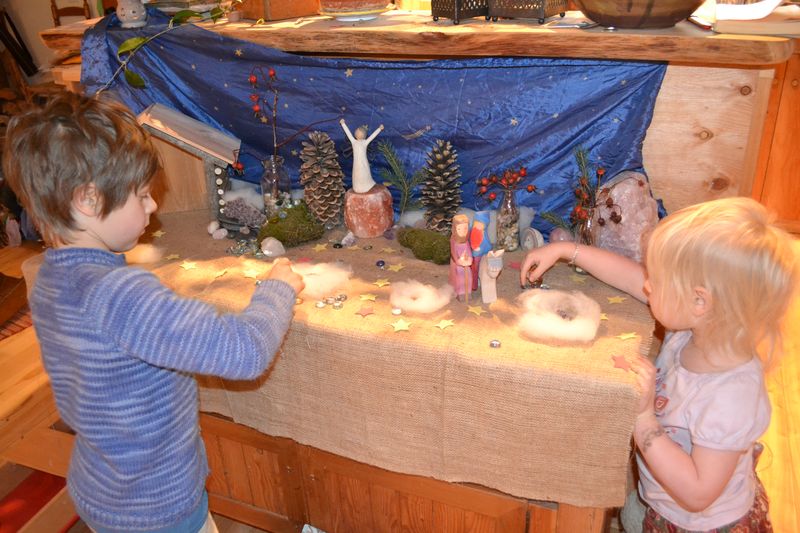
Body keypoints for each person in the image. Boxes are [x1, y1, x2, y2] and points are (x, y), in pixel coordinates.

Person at [2, 93, 305, 533]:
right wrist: (277, 290)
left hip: (101, 492)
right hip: (159, 510)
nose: (153, 207)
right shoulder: (122, 295)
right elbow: (245, 352)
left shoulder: (48, 278)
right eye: (141, 196)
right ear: (87, 200)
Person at [520, 197, 797, 532]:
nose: (647, 285)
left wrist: (643, 417)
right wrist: (569, 252)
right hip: (659, 497)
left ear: (699, 301)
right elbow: (629, 277)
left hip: (696, 524)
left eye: (659, 279)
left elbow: (697, 493)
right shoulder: (691, 328)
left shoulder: (731, 396)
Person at [339, 118, 384, 193]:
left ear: (364, 135)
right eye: (357, 132)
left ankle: (366, 185)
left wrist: (379, 129)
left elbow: (372, 136)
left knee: (364, 174)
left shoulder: (365, 142)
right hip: (356, 164)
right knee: (357, 175)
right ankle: (357, 186)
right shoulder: (354, 142)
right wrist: (343, 124)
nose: (357, 133)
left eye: (359, 132)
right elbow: (348, 133)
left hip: (363, 163)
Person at [449, 213, 473, 301]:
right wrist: (459, 261)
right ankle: (460, 292)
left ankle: (468, 292)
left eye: (465, 228)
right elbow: (453, 253)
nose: (462, 231)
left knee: (469, 275)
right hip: (457, 263)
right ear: (454, 229)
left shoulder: (466, 242)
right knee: (459, 275)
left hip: (465, 262)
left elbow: (469, 251)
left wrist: (470, 259)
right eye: (459, 229)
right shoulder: (453, 241)